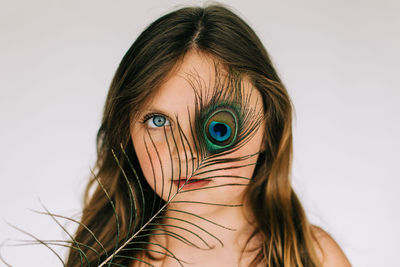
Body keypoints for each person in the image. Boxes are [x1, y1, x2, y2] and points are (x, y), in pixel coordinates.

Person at [66, 4, 351, 267]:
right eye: (158, 120)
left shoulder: (316, 258)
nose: (187, 151)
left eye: (220, 125)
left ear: (268, 129)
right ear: (126, 133)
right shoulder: (103, 256)